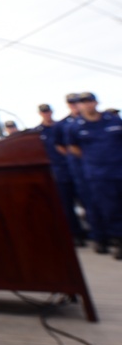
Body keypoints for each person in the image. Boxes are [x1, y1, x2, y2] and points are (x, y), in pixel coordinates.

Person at [67, 92, 122, 259]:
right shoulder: (75, 127)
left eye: (90, 101)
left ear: (96, 102)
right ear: (80, 105)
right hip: (98, 175)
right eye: (83, 102)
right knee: (110, 209)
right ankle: (119, 241)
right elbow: (73, 148)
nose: (87, 105)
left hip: (119, 169)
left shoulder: (113, 120)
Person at [34, 103, 87, 245]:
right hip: (57, 171)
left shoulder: (63, 125)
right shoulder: (37, 132)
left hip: (75, 167)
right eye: (43, 112)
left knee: (86, 200)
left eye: (48, 111)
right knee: (66, 204)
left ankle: (93, 231)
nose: (46, 114)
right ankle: (76, 234)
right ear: (40, 114)